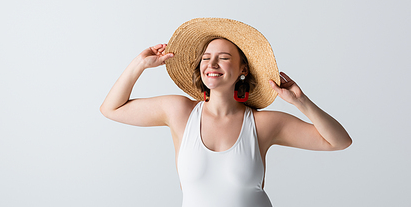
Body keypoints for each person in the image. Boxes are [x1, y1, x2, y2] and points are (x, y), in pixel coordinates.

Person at [100, 18, 352, 207]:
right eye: (206, 58)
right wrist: (140, 64)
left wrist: (301, 102)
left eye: (223, 57)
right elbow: (111, 108)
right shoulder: (179, 112)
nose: (211, 64)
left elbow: (339, 141)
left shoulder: (263, 124)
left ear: (243, 68)